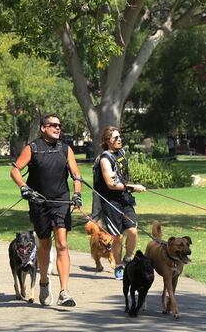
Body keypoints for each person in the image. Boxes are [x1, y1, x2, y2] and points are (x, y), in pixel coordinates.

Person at [10, 114, 82, 307]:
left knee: (63, 244)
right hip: (39, 202)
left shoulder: (65, 149)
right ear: (43, 128)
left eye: (59, 125)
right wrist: (24, 187)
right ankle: (43, 282)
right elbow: (15, 170)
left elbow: (76, 175)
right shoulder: (32, 148)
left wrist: (77, 194)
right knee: (44, 245)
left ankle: (64, 291)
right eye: (53, 125)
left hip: (61, 201)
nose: (57, 128)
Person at [93, 126, 146, 280]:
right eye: (115, 138)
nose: (119, 139)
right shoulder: (105, 159)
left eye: (120, 137)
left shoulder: (121, 153)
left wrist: (128, 189)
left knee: (133, 231)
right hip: (110, 202)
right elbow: (110, 183)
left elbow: (122, 176)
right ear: (107, 141)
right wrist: (132, 187)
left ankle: (128, 259)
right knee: (117, 237)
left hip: (124, 198)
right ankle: (118, 266)